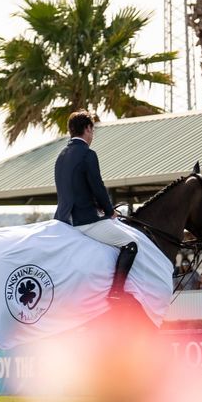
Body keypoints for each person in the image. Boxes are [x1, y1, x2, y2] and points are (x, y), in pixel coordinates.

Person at [53, 110, 137, 301]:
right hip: (86, 221)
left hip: (63, 219)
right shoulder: (88, 154)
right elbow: (97, 186)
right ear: (88, 129)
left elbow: (75, 188)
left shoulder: (61, 155)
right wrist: (109, 211)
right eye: (93, 130)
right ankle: (116, 292)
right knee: (130, 244)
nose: (93, 136)